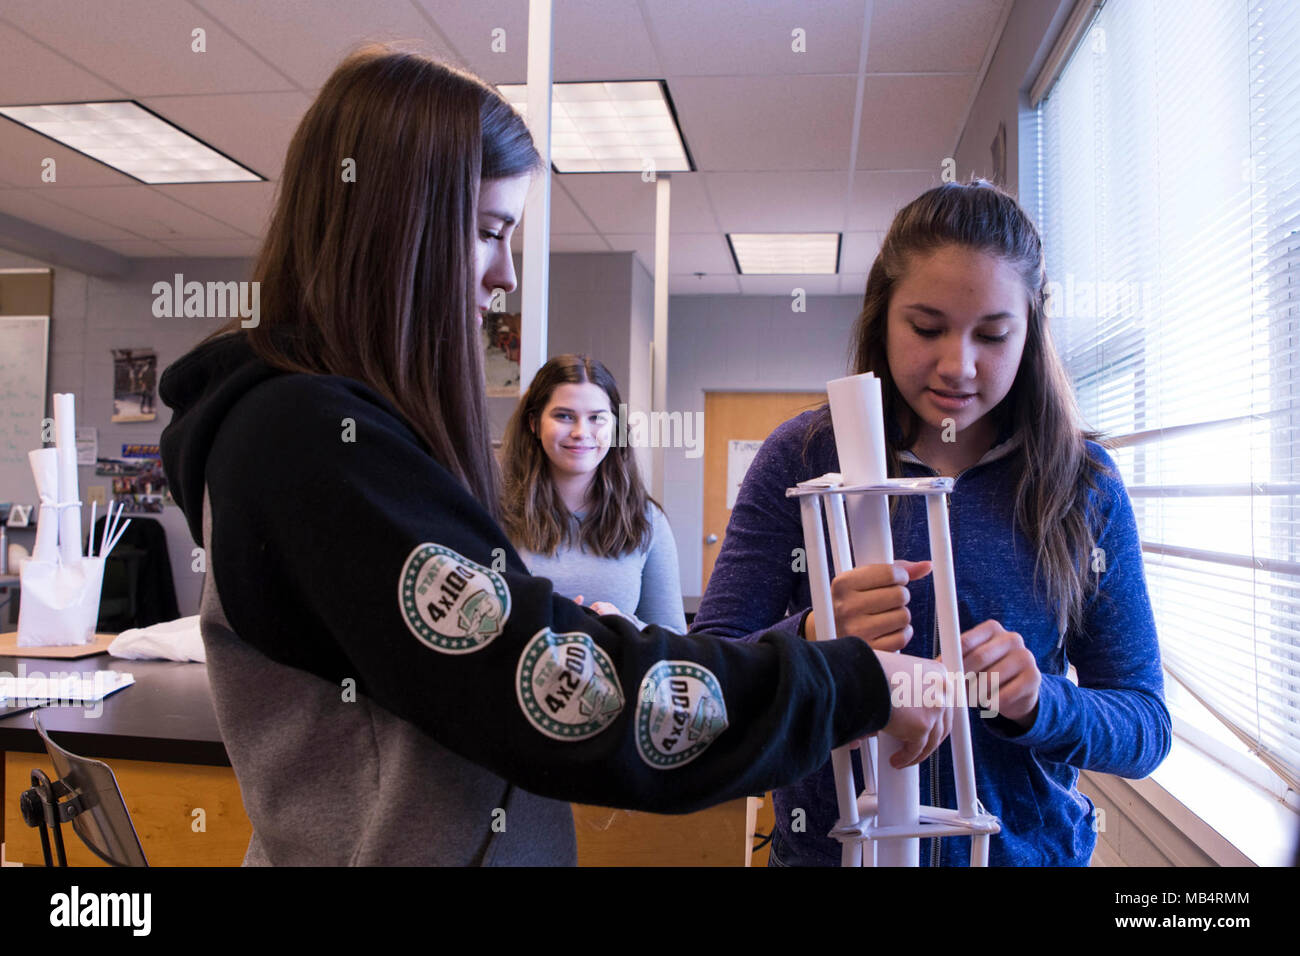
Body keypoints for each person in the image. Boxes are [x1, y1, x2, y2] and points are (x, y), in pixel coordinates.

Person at [158, 45, 951, 866]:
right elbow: (549, 688)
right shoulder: (307, 439)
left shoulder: (338, 435)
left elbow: (500, 663)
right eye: (486, 232)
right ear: (398, 224)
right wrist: (851, 683)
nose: (503, 273)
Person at [692, 180, 1172, 867]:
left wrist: (1042, 702)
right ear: (881, 317)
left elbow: (1144, 727)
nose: (958, 365)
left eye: (993, 334)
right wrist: (811, 635)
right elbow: (708, 682)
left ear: (1031, 331)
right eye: (926, 327)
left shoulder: (1081, 482)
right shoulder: (801, 459)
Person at [501, 355, 687, 633]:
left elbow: (674, 638)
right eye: (564, 416)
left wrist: (624, 626)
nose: (581, 432)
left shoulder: (647, 519)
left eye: (597, 418)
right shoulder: (495, 511)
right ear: (534, 423)